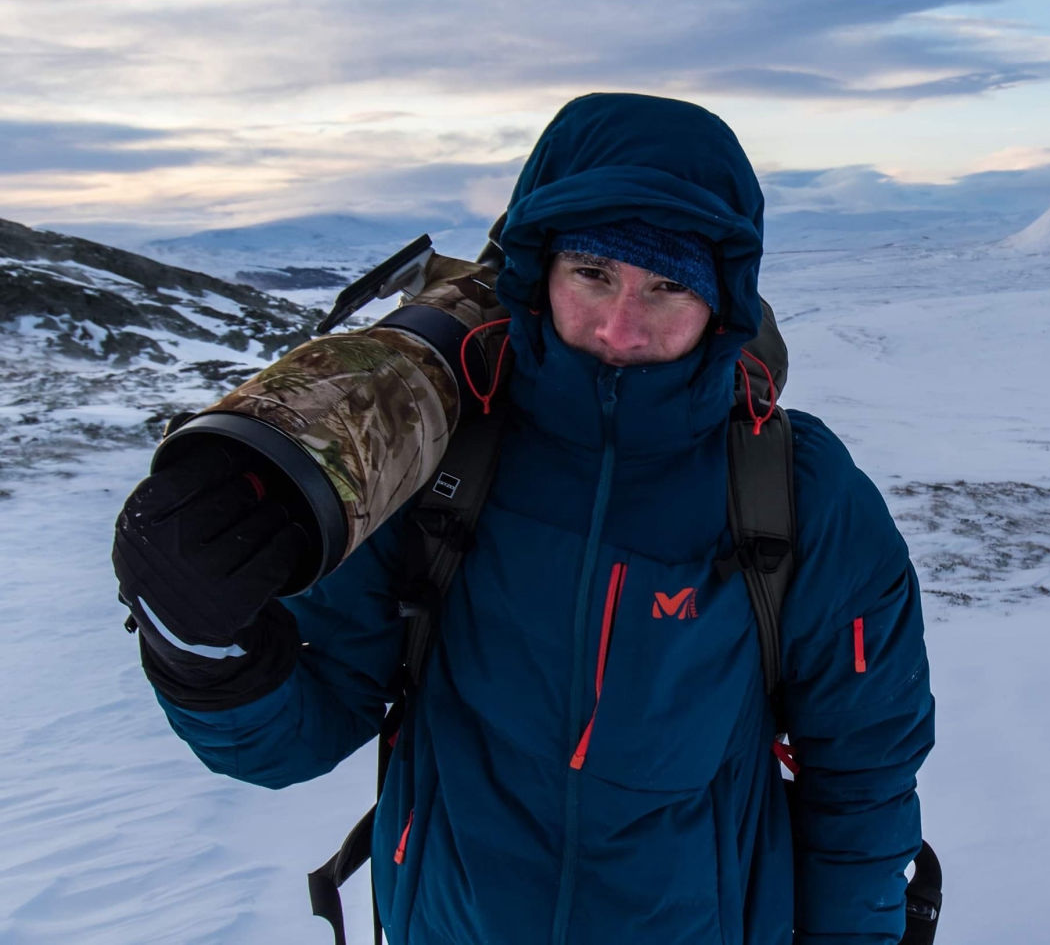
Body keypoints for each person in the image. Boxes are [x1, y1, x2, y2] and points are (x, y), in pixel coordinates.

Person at [113, 93, 934, 945]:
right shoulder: (445, 459)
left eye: (668, 286)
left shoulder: (796, 488)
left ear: (723, 301)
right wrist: (203, 645)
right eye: (593, 274)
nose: (621, 327)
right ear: (538, 271)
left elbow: (863, 778)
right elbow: (299, 733)